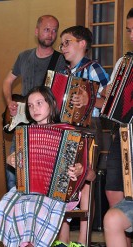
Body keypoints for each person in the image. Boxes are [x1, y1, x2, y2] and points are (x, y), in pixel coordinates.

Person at [0, 86, 87, 247]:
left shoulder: (68, 132)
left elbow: (85, 169)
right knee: (5, 207)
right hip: (29, 188)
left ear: (52, 104)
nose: (34, 109)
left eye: (39, 103)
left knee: (31, 207)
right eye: (30, 105)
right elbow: (18, 163)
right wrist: (11, 160)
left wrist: (79, 169)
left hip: (57, 192)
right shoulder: (24, 133)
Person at [51, 25, 109, 247]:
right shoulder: (63, 74)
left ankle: (83, 239)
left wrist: (89, 100)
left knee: (86, 181)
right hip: (65, 129)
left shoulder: (93, 68)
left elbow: (110, 99)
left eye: (67, 42)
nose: (63, 47)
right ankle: (63, 240)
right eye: (62, 43)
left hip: (89, 129)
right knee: (63, 181)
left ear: (82, 44)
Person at [2, 15, 67, 192]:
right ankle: (14, 204)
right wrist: (10, 102)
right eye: (47, 29)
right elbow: (7, 81)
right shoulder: (23, 57)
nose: (51, 34)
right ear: (37, 31)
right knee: (13, 167)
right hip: (23, 122)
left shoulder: (61, 60)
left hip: (47, 124)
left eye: (54, 30)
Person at [103, 8, 133, 247]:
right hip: (121, 135)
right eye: (129, 31)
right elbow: (111, 103)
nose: (132, 36)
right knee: (113, 192)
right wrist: (96, 98)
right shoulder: (124, 63)